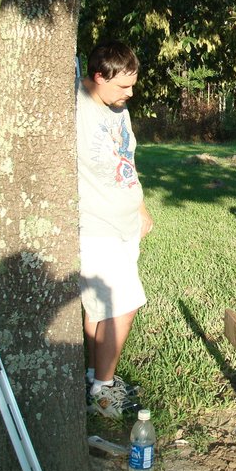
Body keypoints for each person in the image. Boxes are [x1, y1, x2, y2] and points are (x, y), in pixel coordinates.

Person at [77, 41, 154, 417]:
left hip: (125, 223)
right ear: (97, 77)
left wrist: (141, 208)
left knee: (100, 308)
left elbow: (127, 158)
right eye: (123, 85)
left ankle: (94, 378)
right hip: (95, 226)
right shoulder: (75, 109)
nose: (131, 93)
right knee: (125, 303)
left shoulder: (117, 108)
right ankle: (104, 394)